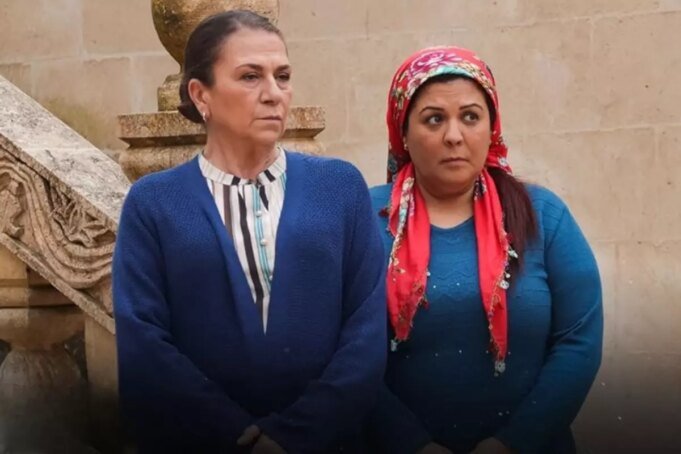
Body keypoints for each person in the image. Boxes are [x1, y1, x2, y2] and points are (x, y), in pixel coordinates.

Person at [113, 10, 386, 453]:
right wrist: (236, 435)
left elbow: (366, 331)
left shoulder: (339, 187)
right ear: (200, 94)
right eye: (250, 76)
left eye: (283, 76)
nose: (273, 94)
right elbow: (143, 343)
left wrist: (295, 434)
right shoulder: (154, 203)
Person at [368, 46, 603, 454]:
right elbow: (343, 351)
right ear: (402, 132)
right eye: (434, 119)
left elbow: (579, 340)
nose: (454, 135)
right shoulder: (365, 219)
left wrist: (512, 443)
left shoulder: (542, 215)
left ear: (492, 127)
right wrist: (411, 444)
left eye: (470, 117)